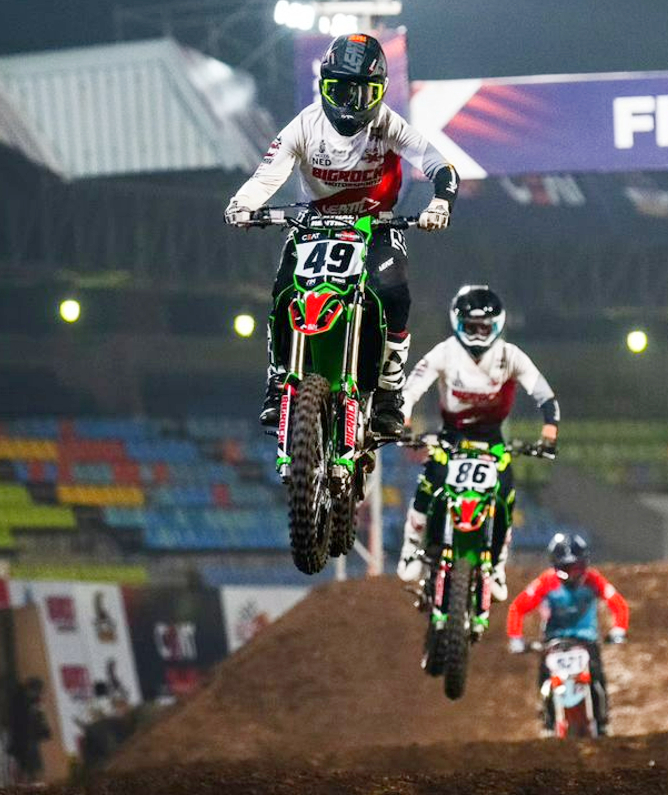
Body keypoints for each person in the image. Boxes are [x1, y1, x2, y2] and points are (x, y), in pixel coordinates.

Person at [225, 33, 459, 437]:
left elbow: (440, 166)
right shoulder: (304, 125)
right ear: (323, 86)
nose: (350, 103)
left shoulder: (388, 123)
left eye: (363, 92)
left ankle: (388, 393)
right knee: (284, 290)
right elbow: (267, 176)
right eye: (340, 90)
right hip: (314, 224)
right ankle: (279, 380)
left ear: (380, 92)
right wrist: (242, 203)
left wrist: (441, 203)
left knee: (394, 293)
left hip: (375, 223)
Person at [396, 285, 560, 600]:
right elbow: (412, 388)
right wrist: (403, 422)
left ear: (496, 325)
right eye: (471, 327)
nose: (477, 333)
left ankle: (496, 566)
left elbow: (544, 395)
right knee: (430, 483)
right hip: (451, 437)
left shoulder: (510, 356)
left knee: (505, 495)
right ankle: (411, 548)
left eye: (483, 328)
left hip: (492, 441)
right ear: (458, 323)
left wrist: (548, 434)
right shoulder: (445, 352)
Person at [506, 533, 628, 736]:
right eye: (567, 568)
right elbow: (518, 607)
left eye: (577, 567)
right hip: (554, 641)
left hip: (586, 640)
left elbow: (618, 604)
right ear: (556, 566)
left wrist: (619, 629)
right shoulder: (546, 582)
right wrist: (516, 638)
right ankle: (547, 720)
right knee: (545, 680)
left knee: (597, 679)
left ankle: (602, 721)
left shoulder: (593, 580)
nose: (572, 574)